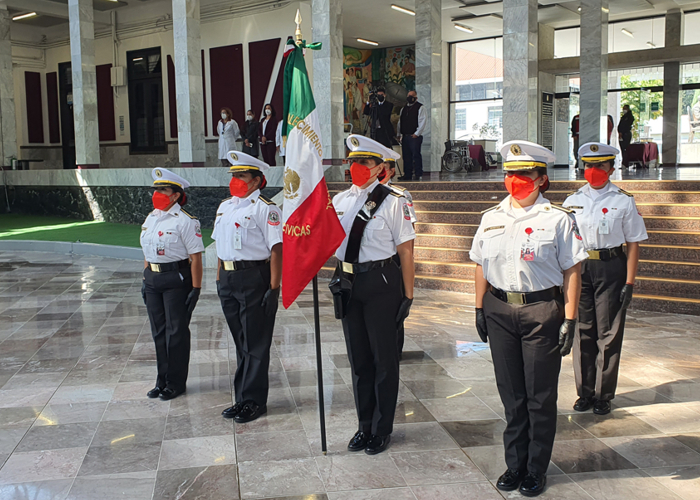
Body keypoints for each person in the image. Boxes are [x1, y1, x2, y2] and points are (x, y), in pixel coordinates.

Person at [470, 141, 587, 497]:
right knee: (511, 394)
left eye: (523, 174)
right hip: (499, 309)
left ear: (541, 179)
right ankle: (514, 464)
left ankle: (536, 468)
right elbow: (480, 265)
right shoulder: (491, 217)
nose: (515, 180)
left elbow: (573, 271)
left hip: (541, 312)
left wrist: (569, 319)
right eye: (510, 174)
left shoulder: (558, 219)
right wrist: (479, 307)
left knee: (539, 395)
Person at [330, 134, 415, 455]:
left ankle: (382, 428)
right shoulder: (339, 201)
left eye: (364, 162)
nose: (356, 167)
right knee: (359, 360)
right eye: (353, 162)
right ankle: (364, 425)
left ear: (380, 167)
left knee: (383, 360)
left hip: (381, 284)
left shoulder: (394, 201)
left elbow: (406, 251)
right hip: (349, 284)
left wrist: (408, 295)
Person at [563, 143, 648, 416]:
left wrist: (630, 282)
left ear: (611, 168)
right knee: (582, 331)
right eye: (589, 165)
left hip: (612, 267)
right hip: (580, 268)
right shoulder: (571, 201)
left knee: (609, 333)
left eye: (600, 166)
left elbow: (633, 243)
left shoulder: (623, 200)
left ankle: (603, 394)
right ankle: (584, 392)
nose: (593, 171)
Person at [214, 151, 282, 424]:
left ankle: (254, 401)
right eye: (233, 176)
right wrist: (219, 278)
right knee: (241, 341)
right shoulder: (225, 206)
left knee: (255, 342)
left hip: (255, 276)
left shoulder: (266, 208)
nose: (235, 180)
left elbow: (277, 249)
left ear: (256, 180)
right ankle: (242, 397)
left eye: (241, 176)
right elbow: (220, 245)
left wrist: (274, 288)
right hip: (229, 279)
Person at [140, 168, 204, 401]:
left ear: (175, 195)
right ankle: (162, 380)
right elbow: (146, 250)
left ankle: (176, 382)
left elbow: (196, 257)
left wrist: (195, 289)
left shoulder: (186, 221)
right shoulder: (151, 217)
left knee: (175, 332)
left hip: (176, 279)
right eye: (155, 190)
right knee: (158, 332)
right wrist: (145, 277)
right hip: (153, 279)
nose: (157, 194)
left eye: (162, 190)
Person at [378, 152, 416, 360]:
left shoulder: (400, 195)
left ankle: (396, 349)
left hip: (394, 260)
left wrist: (407, 261)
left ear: (391, 170)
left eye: (384, 167)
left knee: (396, 310)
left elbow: (409, 232)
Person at [397, 90, 427, 181]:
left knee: (416, 155)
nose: (410, 98)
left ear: (416, 97)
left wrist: (417, 134)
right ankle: (407, 174)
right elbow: (400, 122)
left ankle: (418, 174)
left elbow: (423, 121)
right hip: (405, 136)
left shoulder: (420, 108)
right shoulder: (404, 108)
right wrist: (399, 134)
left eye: (412, 96)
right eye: (408, 96)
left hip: (414, 137)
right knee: (406, 156)